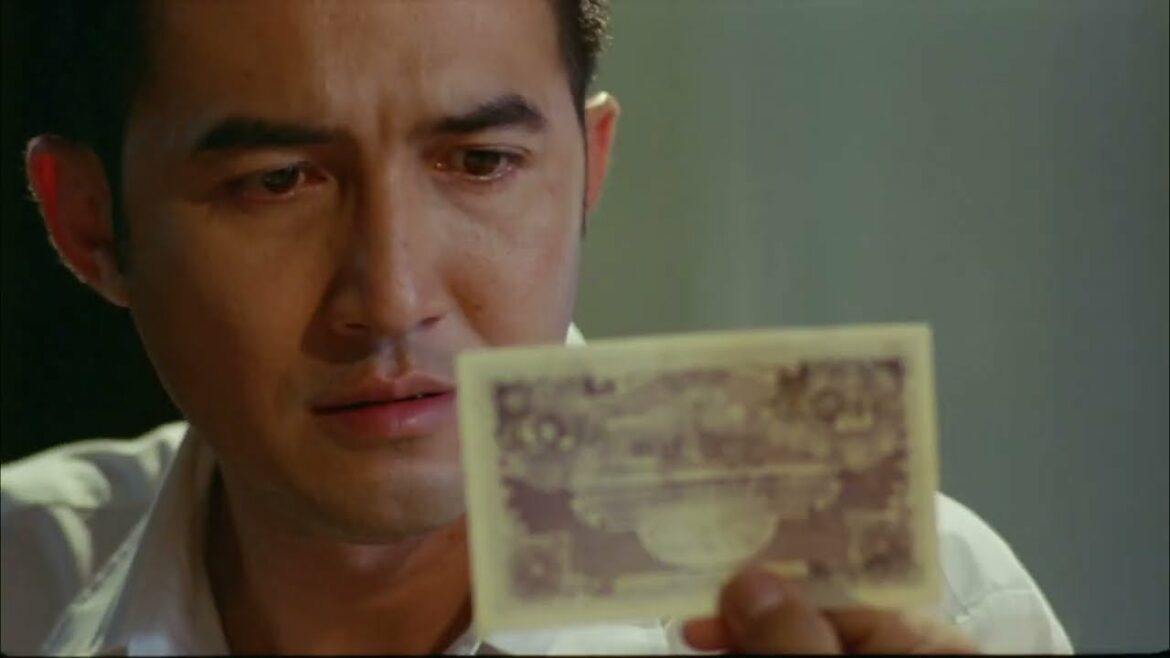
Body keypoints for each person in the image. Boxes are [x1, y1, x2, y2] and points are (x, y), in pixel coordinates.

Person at [0, 0, 1073, 654]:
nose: (392, 297)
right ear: (88, 223)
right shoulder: (18, 579)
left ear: (589, 171)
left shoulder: (931, 605)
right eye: (277, 181)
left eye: (481, 163)